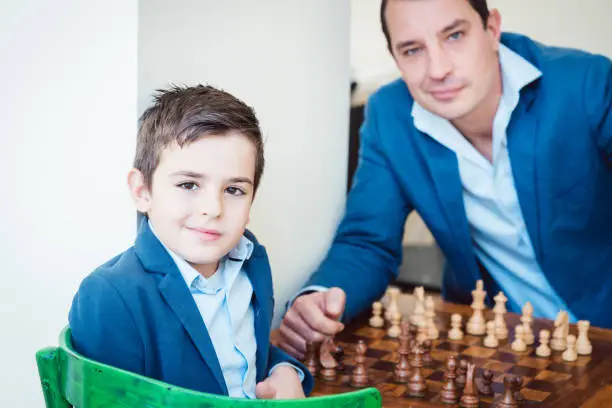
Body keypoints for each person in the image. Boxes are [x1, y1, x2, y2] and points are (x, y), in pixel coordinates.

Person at [279, 0, 612, 359]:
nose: (437, 70)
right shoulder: (389, 116)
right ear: (395, 57)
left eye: (454, 35)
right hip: (496, 345)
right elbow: (367, 243)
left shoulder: (586, 84)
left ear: (492, 28)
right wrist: (321, 299)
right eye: (412, 49)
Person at [69, 85, 312, 399]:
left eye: (234, 190)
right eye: (188, 184)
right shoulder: (109, 297)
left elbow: (245, 355)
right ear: (142, 191)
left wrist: (286, 370)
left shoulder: (251, 263)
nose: (213, 208)